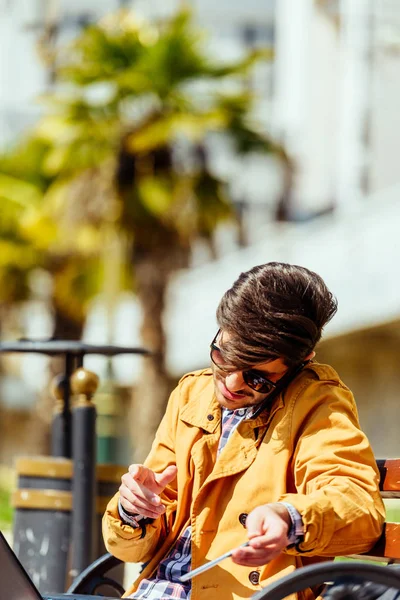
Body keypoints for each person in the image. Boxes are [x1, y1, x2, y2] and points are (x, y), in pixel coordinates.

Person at [103, 262, 385, 600]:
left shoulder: (318, 404)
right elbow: (132, 550)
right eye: (224, 356)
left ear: (303, 359)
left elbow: (357, 505)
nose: (232, 383)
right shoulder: (192, 394)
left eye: (257, 376)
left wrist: (289, 517)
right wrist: (132, 511)